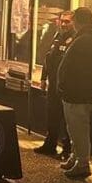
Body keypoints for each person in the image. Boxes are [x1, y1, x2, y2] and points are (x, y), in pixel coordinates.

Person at [56, 6, 92, 180]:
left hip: (78, 94)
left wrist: (65, 83)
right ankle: (75, 157)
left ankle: (82, 164)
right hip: (76, 93)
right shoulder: (86, 38)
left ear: (77, 20)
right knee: (74, 128)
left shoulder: (85, 40)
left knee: (78, 129)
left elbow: (77, 68)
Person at [34, 11, 74, 158]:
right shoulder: (57, 36)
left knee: (66, 119)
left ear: (74, 22)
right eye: (62, 21)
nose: (63, 24)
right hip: (53, 84)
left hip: (65, 86)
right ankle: (50, 145)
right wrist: (43, 78)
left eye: (67, 21)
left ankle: (67, 149)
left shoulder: (75, 39)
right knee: (52, 116)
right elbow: (48, 58)